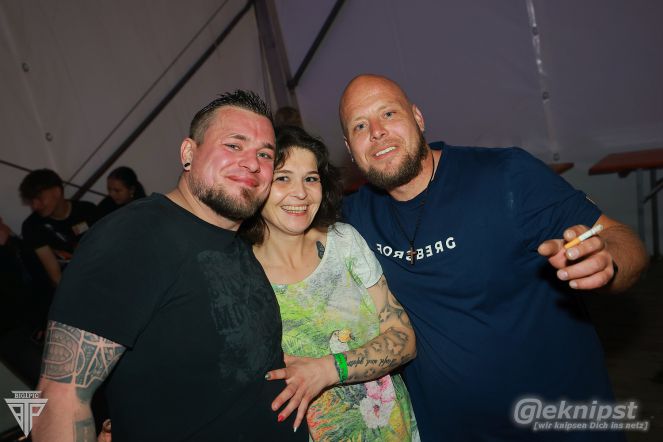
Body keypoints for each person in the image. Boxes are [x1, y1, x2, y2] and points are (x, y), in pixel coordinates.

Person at [339, 74, 649, 441]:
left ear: (417, 118)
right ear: (349, 148)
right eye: (360, 125)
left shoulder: (505, 176)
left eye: (389, 113)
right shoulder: (354, 217)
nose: (377, 131)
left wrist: (607, 262)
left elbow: (623, 241)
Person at [32, 90, 307, 442]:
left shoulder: (234, 240)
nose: (252, 163)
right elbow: (57, 398)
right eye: (234, 145)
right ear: (188, 153)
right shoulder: (133, 236)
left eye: (264, 154)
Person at [241, 126, 419, 440]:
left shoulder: (344, 243)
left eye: (311, 178)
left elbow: (404, 340)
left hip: (395, 431)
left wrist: (327, 369)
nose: (301, 193)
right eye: (283, 178)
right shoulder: (241, 274)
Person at [19, 169, 98, 287]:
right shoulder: (32, 226)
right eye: (31, 201)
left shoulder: (87, 210)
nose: (35, 206)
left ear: (57, 192)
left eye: (39, 198)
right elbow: (56, 277)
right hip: (71, 284)